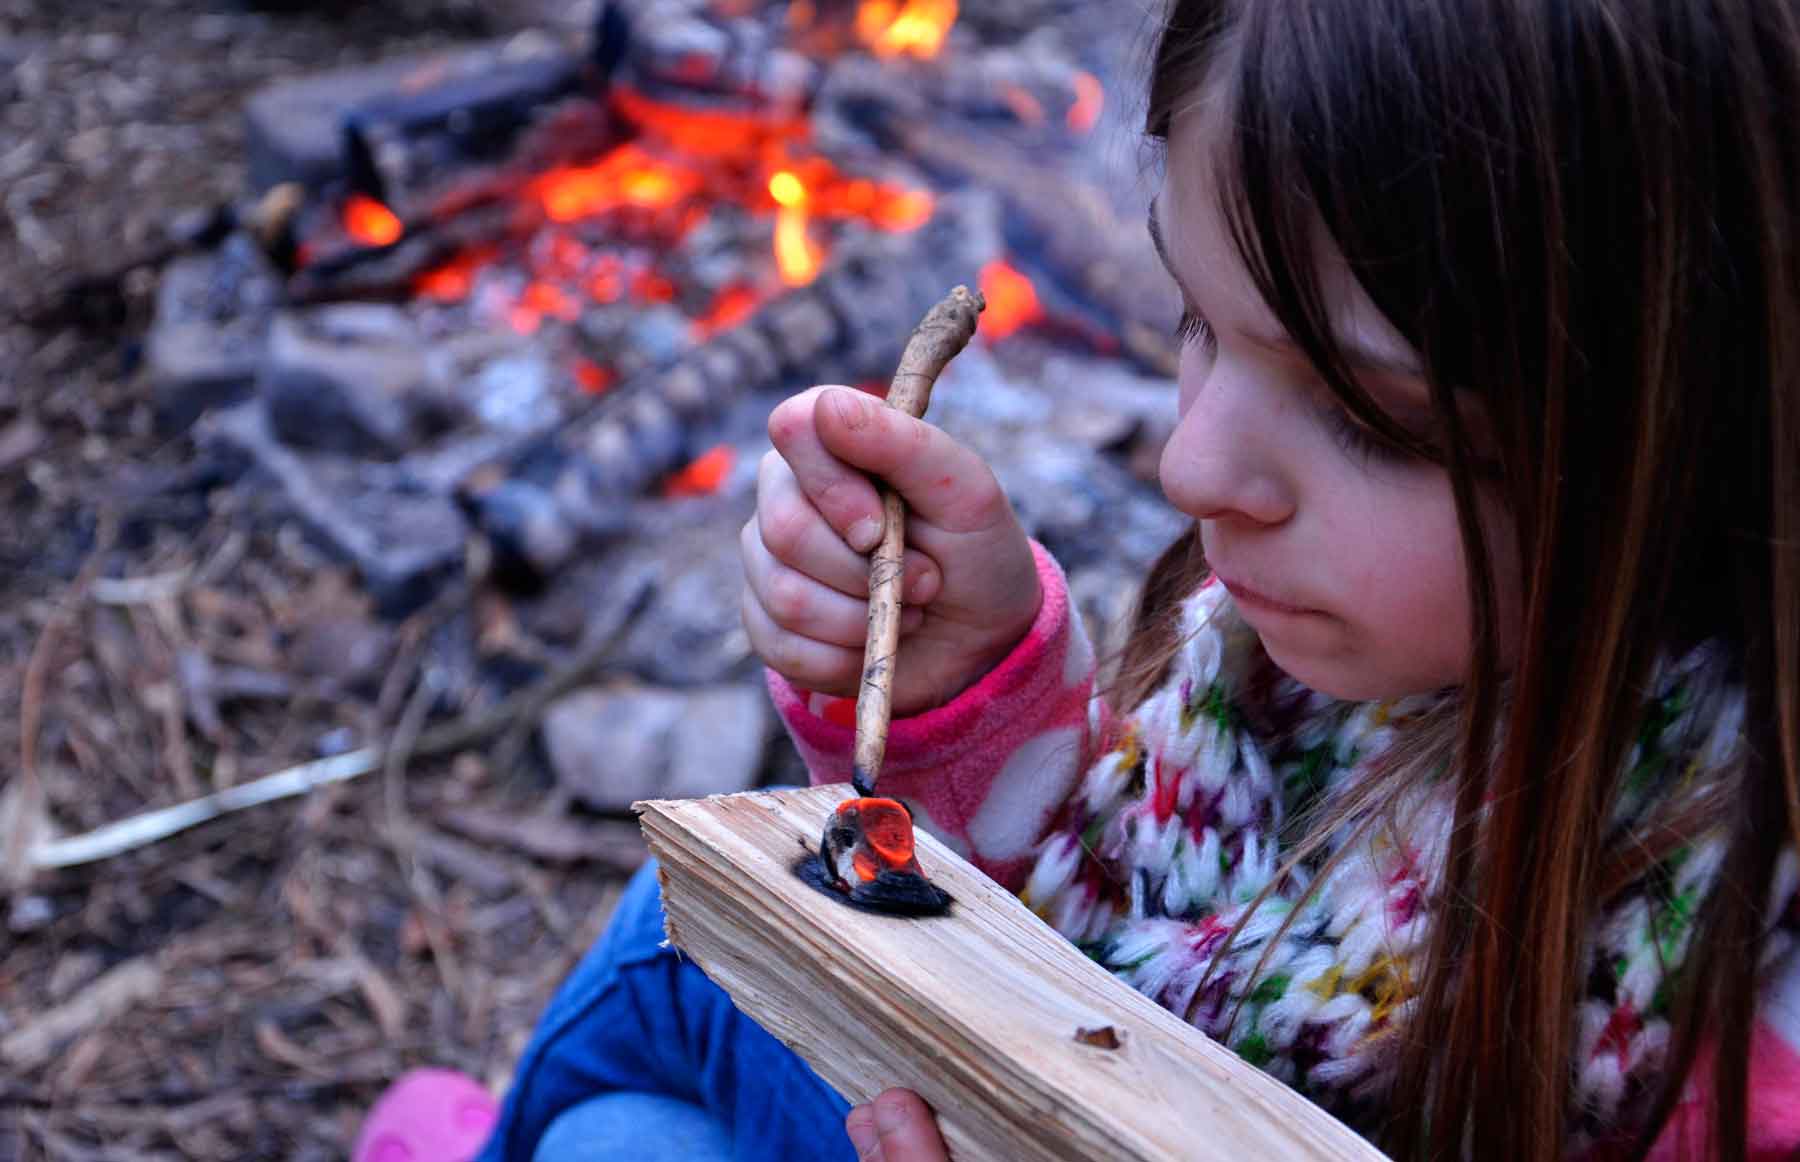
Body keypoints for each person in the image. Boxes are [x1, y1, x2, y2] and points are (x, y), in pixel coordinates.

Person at [353, 0, 1800, 1157]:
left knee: (667, 959)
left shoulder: (1742, 1044)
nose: (1195, 465)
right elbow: (1090, 977)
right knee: (626, 1133)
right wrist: (968, 691)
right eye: (1198, 321)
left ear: (1705, 430)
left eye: (1373, 415)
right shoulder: (1329, 687)